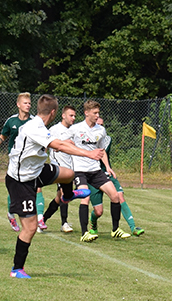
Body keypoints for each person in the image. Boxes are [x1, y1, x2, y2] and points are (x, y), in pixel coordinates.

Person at [6, 94, 103, 278]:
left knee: (68, 174)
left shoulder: (38, 124)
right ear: (53, 112)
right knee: (30, 228)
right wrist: (88, 154)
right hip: (21, 181)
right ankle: (17, 269)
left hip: (35, 171)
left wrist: (64, 143)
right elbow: (56, 144)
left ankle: (67, 196)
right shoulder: (35, 127)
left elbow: (53, 142)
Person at [71, 100, 130, 242]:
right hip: (80, 170)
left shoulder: (100, 130)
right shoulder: (76, 129)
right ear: (86, 113)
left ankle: (115, 230)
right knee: (84, 197)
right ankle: (85, 232)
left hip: (95, 170)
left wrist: (108, 167)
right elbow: (65, 144)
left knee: (115, 195)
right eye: (95, 113)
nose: (97, 116)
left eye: (98, 113)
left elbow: (102, 151)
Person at [0, 92, 46, 232]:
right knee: (15, 190)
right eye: (25, 103)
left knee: (37, 187)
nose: (28, 105)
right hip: (15, 160)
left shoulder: (34, 121)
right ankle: (10, 214)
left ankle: (40, 219)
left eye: (29, 103)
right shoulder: (11, 121)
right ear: (18, 105)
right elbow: (3, 136)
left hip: (30, 160)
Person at [87, 117, 144, 237]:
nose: (100, 127)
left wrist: (108, 167)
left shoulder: (107, 139)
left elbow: (102, 152)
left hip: (106, 174)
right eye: (97, 124)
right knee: (99, 211)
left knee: (119, 196)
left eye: (101, 125)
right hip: (92, 175)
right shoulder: (85, 139)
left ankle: (133, 227)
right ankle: (93, 222)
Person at [40, 105, 78, 233]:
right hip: (58, 166)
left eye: (74, 116)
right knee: (63, 194)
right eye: (71, 115)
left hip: (70, 168)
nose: (73, 118)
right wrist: (65, 142)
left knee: (58, 198)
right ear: (63, 115)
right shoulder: (55, 129)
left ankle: (43, 220)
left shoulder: (74, 130)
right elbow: (52, 146)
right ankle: (64, 223)